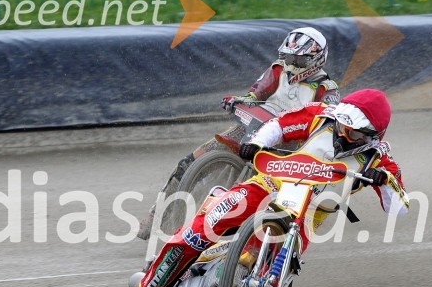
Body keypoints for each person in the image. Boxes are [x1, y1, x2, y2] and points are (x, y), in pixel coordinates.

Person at [127, 88, 409, 287]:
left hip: (307, 215)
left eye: (355, 132)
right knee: (204, 226)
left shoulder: (380, 157)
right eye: (342, 124)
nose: (344, 133)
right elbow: (280, 125)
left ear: (374, 136)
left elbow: (399, 208)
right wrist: (257, 143)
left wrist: (383, 180)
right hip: (269, 184)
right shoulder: (322, 115)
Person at [137, 27, 341, 240]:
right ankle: (157, 213)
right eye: (287, 56)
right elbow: (256, 93)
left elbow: (326, 124)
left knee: (270, 195)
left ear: (315, 60)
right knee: (188, 162)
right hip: (249, 127)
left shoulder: (327, 90)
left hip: (286, 145)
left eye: (297, 60)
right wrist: (239, 100)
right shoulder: (277, 69)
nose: (290, 63)